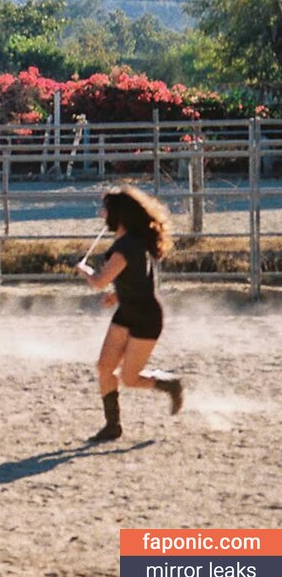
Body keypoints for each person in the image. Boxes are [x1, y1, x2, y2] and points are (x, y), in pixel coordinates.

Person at [75, 184, 183, 441]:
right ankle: (112, 425)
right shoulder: (130, 242)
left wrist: (84, 270)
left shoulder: (127, 246)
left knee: (130, 378)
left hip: (145, 317)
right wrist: (118, 294)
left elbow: (100, 280)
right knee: (105, 367)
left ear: (118, 216)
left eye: (105, 211)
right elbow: (138, 278)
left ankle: (169, 383)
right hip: (128, 311)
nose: (102, 215)